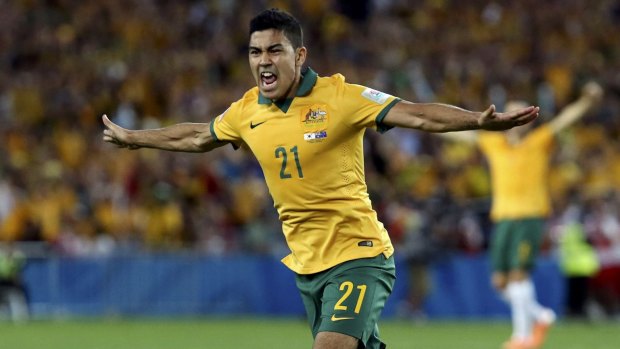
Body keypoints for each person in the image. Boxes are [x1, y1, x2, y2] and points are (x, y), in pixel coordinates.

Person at [101, 8, 539, 349]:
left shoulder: (342, 96)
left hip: (359, 253)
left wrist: (479, 123)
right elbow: (198, 136)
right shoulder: (246, 111)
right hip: (308, 264)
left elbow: (417, 114)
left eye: (275, 51)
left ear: (300, 55)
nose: (264, 62)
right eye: (256, 52)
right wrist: (134, 138)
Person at [441, 81, 603, 349]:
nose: (516, 119)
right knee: (500, 282)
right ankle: (540, 315)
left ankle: (523, 337)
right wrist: (419, 120)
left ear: (529, 120)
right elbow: (460, 133)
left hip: (529, 216)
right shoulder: (494, 143)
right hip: (502, 217)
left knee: (518, 276)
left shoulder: (538, 142)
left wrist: (586, 102)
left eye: (522, 114)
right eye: (512, 113)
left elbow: (564, 120)